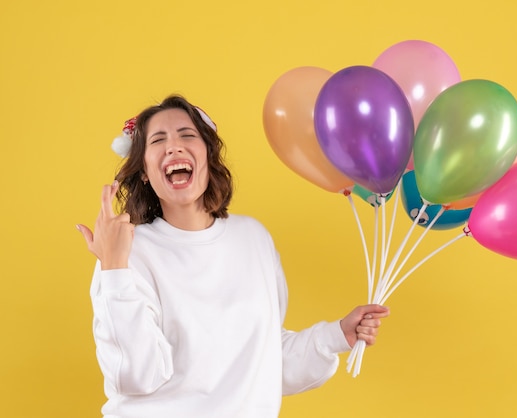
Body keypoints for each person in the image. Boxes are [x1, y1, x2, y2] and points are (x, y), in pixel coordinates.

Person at [77, 94, 389, 418]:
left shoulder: (253, 238)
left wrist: (336, 335)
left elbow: (266, 360)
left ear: (208, 157)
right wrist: (114, 270)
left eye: (187, 135)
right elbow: (136, 375)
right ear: (143, 171)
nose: (174, 147)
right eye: (158, 140)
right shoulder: (129, 251)